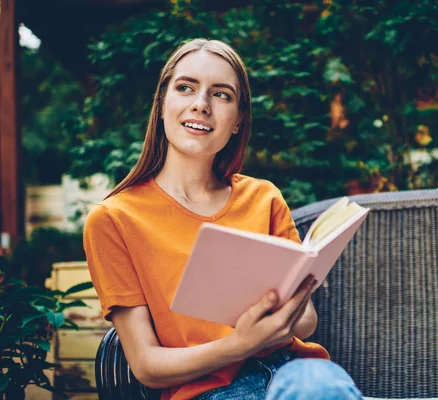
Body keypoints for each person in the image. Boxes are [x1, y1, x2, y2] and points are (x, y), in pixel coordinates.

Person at [83, 38, 363, 400]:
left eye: (221, 95)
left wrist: (277, 319)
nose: (201, 105)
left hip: (296, 375)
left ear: (237, 121)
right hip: (208, 390)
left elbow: (307, 321)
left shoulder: (263, 198)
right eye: (185, 88)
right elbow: (146, 365)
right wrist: (240, 344)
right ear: (163, 105)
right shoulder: (114, 219)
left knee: (317, 385)